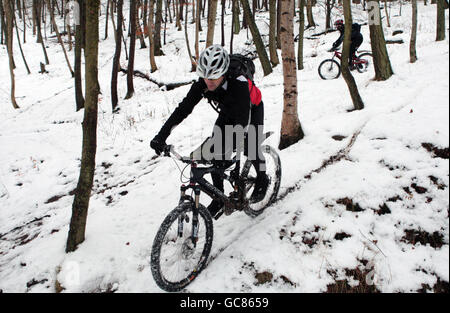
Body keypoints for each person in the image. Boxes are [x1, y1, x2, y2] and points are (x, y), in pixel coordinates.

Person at [150, 44, 269, 218]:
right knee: (215, 149)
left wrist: (231, 150)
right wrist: (161, 136)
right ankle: (219, 198)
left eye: (214, 76)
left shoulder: (239, 83)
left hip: (251, 109)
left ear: (224, 72)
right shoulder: (202, 84)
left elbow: (243, 121)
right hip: (228, 111)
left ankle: (262, 178)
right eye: (205, 76)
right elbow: (182, 110)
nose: (209, 81)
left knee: (251, 144)